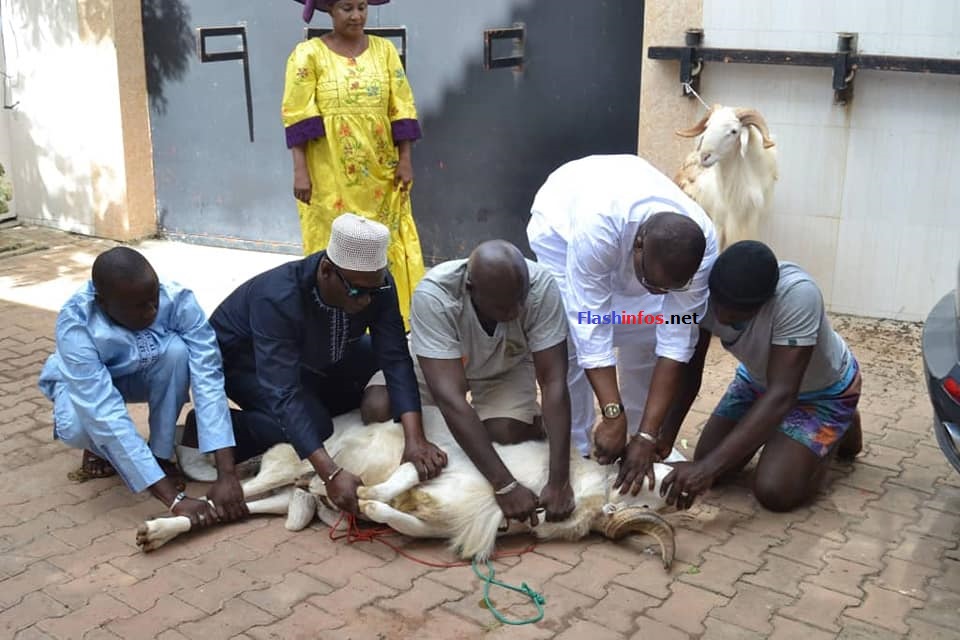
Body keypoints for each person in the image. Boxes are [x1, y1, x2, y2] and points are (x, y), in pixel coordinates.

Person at [207, 213, 446, 516]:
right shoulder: (278, 297)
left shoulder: (378, 285)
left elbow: (396, 357)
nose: (366, 302)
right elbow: (283, 392)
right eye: (358, 292)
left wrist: (415, 440)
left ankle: (315, 408)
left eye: (375, 290)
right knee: (316, 425)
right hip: (247, 365)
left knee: (375, 351)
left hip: (314, 357)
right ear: (326, 270)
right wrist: (330, 473)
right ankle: (213, 429)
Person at [526, 154, 719, 495]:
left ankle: (637, 440)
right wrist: (612, 414)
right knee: (570, 335)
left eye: (668, 288)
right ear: (639, 245)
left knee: (653, 328)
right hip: (561, 229)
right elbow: (592, 328)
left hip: (626, 237)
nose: (658, 293)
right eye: (652, 283)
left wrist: (647, 434)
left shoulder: (703, 245)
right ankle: (576, 447)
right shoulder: (597, 228)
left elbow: (676, 340)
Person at [37, 247, 247, 528]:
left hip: (140, 370)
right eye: (139, 306)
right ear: (103, 303)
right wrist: (175, 501)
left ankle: (159, 455)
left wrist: (227, 473)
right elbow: (105, 413)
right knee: (75, 426)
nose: (152, 310)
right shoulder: (76, 326)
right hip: (85, 386)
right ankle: (100, 450)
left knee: (177, 353)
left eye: (154, 299)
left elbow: (208, 379)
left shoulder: (178, 299)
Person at [371, 240, 575, 526]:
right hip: (440, 363)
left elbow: (553, 381)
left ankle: (533, 422)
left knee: (503, 431)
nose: (516, 312)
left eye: (520, 300)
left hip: (506, 362)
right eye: (503, 307)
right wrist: (505, 485)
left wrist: (559, 480)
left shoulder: (542, 286)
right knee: (378, 406)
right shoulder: (435, 294)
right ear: (470, 288)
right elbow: (450, 398)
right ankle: (464, 441)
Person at [658, 241, 863, 512]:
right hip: (757, 381)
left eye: (738, 312)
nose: (723, 315)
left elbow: (783, 394)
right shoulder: (701, 293)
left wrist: (706, 469)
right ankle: (786, 434)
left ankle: (840, 425)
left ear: (765, 301)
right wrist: (661, 442)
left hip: (823, 392)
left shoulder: (798, 296)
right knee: (711, 464)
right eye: (720, 304)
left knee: (774, 491)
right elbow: (688, 370)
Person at [283, 0, 425, 329]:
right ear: (330, 11)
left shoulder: (385, 51)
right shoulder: (308, 55)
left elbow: (401, 106)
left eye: (362, 6)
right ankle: (333, 323)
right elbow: (297, 115)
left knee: (385, 243)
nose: (357, 15)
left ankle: (392, 320)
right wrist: (300, 171)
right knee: (335, 247)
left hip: (382, 175)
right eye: (347, 8)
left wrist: (405, 159)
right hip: (329, 176)